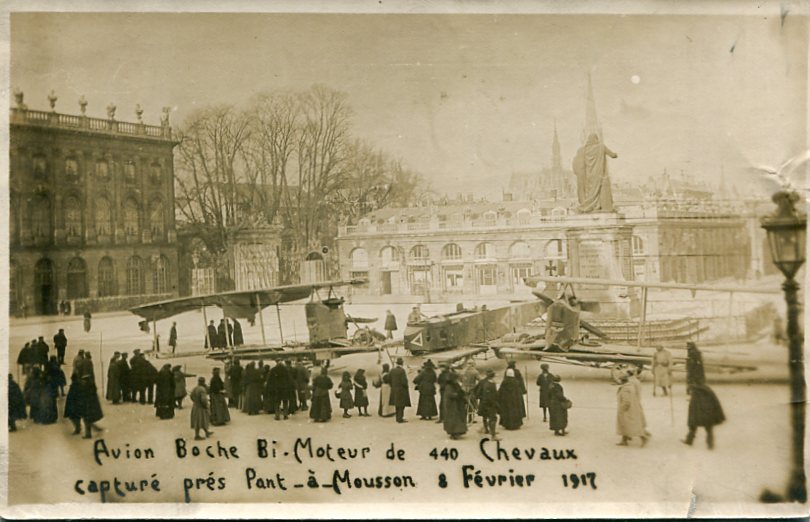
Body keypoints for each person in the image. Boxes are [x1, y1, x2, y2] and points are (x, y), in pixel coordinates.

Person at [572, 132, 618, 213]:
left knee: (590, 191)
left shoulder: (583, 150)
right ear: (596, 139)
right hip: (598, 174)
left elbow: (576, 163)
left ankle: (590, 206)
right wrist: (616, 154)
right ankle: (597, 206)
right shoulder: (601, 147)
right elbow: (613, 155)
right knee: (598, 189)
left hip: (588, 176)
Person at [682, 383, 725, 450]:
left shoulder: (693, 376)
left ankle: (690, 439)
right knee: (703, 417)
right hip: (703, 391)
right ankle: (708, 441)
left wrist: (690, 387)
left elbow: (694, 379)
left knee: (694, 416)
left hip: (698, 392)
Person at [616, 373, 648, 447]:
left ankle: (643, 438)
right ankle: (624, 440)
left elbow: (626, 402)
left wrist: (622, 410)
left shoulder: (625, 389)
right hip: (633, 408)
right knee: (626, 425)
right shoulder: (630, 386)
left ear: (622, 381)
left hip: (627, 411)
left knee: (629, 425)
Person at [474, 369, 500, 440]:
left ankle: (486, 429)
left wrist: (480, 397)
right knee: (493, 418)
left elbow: (476, 391)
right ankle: (493, 435)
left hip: (483, 402)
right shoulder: (491, 384)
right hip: (490, 403)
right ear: (493, 376)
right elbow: (493, 395)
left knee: (485, 416)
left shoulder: (482, 381)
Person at [442, 372, 467, 440]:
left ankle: (457, 432)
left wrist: (463, 394)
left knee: (457, 418)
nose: (457, 380)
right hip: (452, 405)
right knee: (453, 419)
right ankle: (454, 433)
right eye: (456, 378)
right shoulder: (449, 386)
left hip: (457, 404)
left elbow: (459, 392)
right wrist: (459, 395)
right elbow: (451, 395)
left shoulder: (455, 385)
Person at [388, 358, 411, 423]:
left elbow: (388, 379)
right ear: (402, 363)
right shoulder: (402, 371)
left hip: (394, 390)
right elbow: (404, 381)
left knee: (397, 404)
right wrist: (406, 386)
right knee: (402, 405)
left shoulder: (392, 370)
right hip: (401, 390)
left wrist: (392, 386)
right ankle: (400, 418)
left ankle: (397, 417)